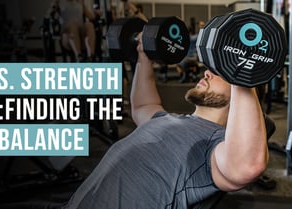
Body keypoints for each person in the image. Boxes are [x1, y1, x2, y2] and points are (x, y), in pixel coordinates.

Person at [61, 32, 268, 208]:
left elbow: (247, 166)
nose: (207, 72)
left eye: (221, 72)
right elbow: (142, 105)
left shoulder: (214, 146)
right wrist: (144, 54)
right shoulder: (167, 119)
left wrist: (244, 74)